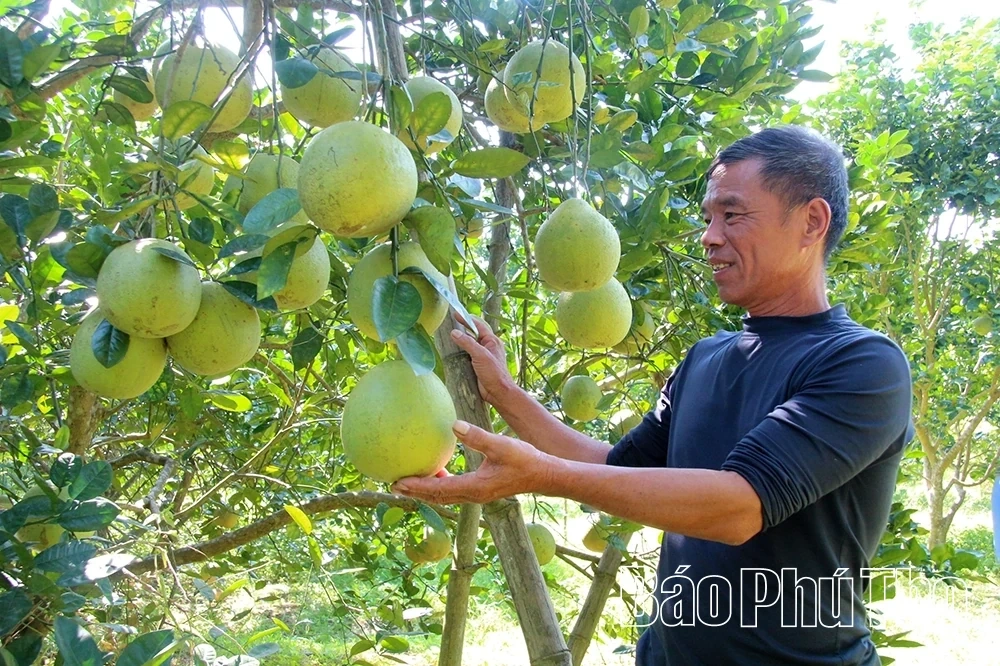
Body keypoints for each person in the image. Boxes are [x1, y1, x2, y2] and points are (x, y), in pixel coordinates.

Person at [391, 126, 915, 665]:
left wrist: (542, 476)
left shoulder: (862, 364)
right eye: (708, 218)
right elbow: (614, 467)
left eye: (732, 215)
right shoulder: (707, 357)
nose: (709, 236)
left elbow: (739, 506)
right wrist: (502, 391)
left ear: (812, 221)